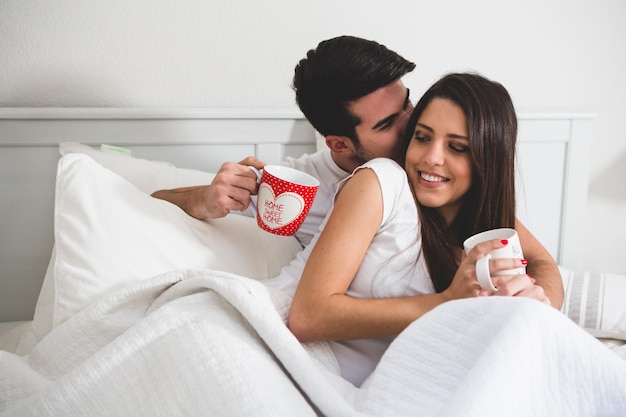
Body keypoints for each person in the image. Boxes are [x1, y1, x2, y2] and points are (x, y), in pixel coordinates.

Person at [268, 72, 562, 387]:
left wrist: (537, 302)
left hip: (375, 386)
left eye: (457, 148)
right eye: (422, 137)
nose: (431, 158)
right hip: (281, 350)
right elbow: (307, 316)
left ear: (488, 159)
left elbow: (545, 263)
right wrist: (447, 301)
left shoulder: (483, 218)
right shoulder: (382, 182)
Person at [151, 35, 416, 247]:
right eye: (388, 124)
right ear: (340, 145)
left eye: (408, 104)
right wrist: (203, 199)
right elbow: (155, 202)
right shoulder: (293, 192)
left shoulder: (441, 153)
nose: (413, 125)